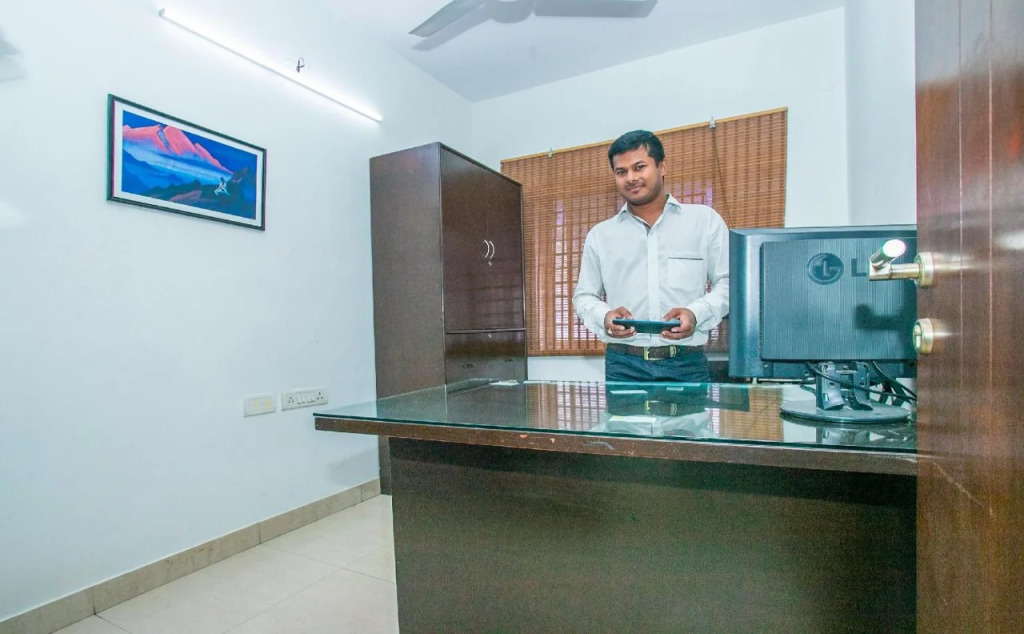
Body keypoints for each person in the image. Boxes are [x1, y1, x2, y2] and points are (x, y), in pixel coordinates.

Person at [573, 130, 729, 383]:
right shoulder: (600, 235)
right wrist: (605, 316)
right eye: (621, 172)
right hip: (623, 365)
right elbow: (584, 296)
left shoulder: (704, 221)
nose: (631, 178)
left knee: (691, 414)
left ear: (662, 166)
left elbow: (728, 283)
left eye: (639, 167)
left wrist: (695, 313)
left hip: (686, 364)